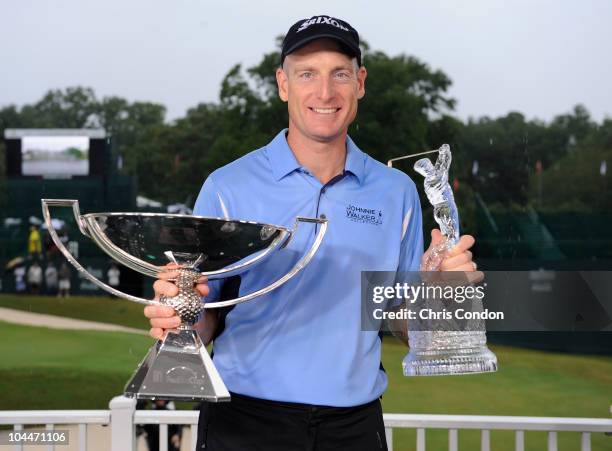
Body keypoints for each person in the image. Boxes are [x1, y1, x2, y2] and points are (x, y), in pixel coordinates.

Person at [145, 15, 477, 450]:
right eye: (307, 74)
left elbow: (399, 320)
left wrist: (437, 296)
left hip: (353, 427)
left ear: (360, 82)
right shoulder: (228, 186)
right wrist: (179, 316)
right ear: (284, 84)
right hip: (244, 420)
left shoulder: (395, 192)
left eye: (339, 73)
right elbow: (206, 315)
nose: (325, 92)